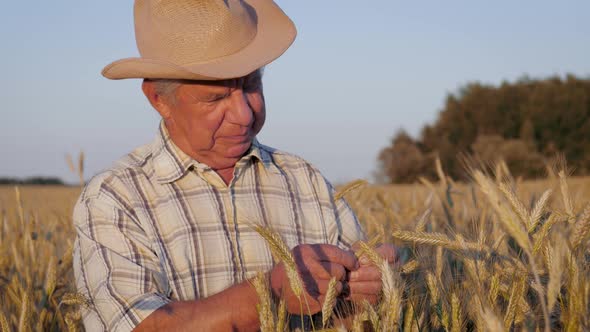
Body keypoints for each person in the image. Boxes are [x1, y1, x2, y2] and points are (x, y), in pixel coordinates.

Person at [73, 0, 396, 331]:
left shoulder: (306, 180)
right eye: (215, 98)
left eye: (251, 85)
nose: (244, 114)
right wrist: (268, 294)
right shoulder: (115, 197)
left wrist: (369, 287)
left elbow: (357, 315)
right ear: (159, 99)